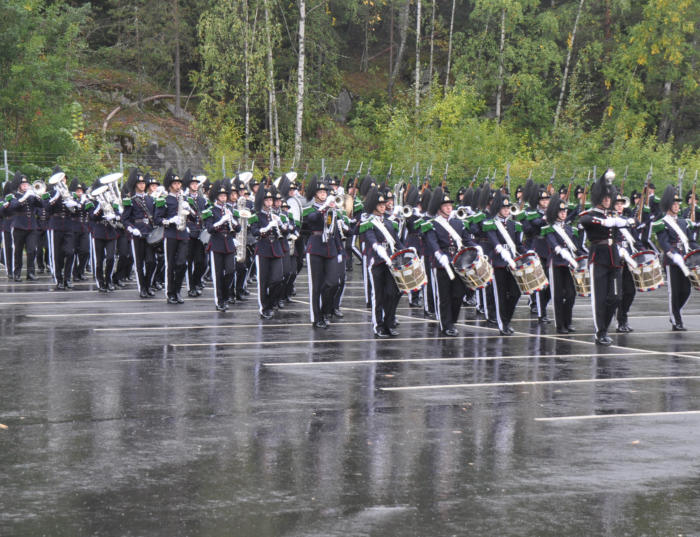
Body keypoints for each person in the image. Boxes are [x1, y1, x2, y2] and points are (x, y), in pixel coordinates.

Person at [578, 169, 632, 345]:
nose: (608, 200)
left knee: (616, 297)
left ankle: (605, 327)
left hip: (614, 258)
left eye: (610, 197)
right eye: (605, 197)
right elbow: (584, 221)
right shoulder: (590, 214)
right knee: (599, 298)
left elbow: (631, 223)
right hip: (599, 258)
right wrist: (603, 222)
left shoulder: (613, 215)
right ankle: (600, 332)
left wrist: (626, 221)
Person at [423, 186, 478, 336]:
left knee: (458, 294)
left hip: (458, 263)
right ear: (439, 208)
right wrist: (439, 254)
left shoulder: (458, 223)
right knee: (444, 296)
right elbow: (432, 242)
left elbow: (466, 239)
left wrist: (476, 247)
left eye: (449, 205)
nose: (449, 208)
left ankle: (452, 321)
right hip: (441, 264)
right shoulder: (432, 224)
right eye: (445, 205)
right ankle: (446, 325)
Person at [653, 185, 700, 331]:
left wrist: (697, 251)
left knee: (686, 290)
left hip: (686, 259)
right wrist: (674, 255)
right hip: (672, 260)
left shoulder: (683, 222)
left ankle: (675, 312)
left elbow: (691, 241)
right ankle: (676, 321)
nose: (677, 206)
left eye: (678, 203)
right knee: (674, 292)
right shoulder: (662, 223)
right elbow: (664, 243)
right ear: (668, 205)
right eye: (674, 203)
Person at [359, 186, 404, 338]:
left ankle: (389, 323)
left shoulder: (390, 223)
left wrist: (408, 252)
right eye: (380, 205)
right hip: (377, 262)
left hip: (391, 263)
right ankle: (378, 325)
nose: (383, 206)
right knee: (377, 296)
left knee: (391, 293)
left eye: (384, 204)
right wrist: (384, 255)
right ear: (373, 206)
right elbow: (373, 242)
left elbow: (397, 242)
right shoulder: (368, 223)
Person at [303, 176, 341, 328]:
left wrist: (339, 249)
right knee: (316, 285)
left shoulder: (332, 210)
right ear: (315, 194)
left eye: (325, 192)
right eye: (320, 192)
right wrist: (324, 207)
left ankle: (326, 311)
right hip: (316, 247)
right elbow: (311, 219)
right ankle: (316, 317)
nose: (323, 194)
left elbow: (335, 229)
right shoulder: (310, 208)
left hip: (330, 246)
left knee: (333, 282)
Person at [484, 191, 523, 335]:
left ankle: (506, 319)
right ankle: (503, 325)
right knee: (500, 295)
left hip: (512, 264)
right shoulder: (490, 224)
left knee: (515, 293)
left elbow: (519, 245)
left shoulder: (514, 225)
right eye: (503, 207)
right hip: (498, 264)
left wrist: (530, 254)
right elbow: (495, 242)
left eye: (508, 207)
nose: (507, 210)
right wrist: (502, 252)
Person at [542, 195, 582, 333]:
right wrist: (564, 253)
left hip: (569, 265)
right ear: (555, 213)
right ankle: (560, 325)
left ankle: (568, 321)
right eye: (561, 211)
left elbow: (576, 248)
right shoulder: (549, 228)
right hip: (556, 264)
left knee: (571, 294)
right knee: (558, 296)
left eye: (565, 211)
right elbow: (554, 245)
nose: (564, 213)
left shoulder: (571, 229)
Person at [154, 168, 191, 304]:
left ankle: (177, 290)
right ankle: (170, 293)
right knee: (170, 264)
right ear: (170, 185)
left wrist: (189, 209)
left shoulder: (184, 199)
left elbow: (195, 217)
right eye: (175, 183)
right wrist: (170, 221)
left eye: (179, 183)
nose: (178, 186)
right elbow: (157, 219)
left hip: (183, 234)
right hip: (170, 234)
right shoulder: (164, 200)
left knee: (182, 264)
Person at [203, 180, 241, 311]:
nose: (224, 198)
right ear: (216, 197)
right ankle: (220, 301)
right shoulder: (210, 211)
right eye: (221, 196)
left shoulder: (230, 210)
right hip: (217, 244)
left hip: (229, 244)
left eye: (225, 195)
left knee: (230, 271)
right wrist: (221, 221)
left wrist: (233, 220)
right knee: (218, 274)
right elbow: (209, 229)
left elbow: (238, 229)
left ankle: (225, 295)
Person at [249, 183, 285, 320]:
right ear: (262, 201)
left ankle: (271, 302)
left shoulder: (276, 215)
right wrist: (267, 227)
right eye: (267, 200)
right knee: (263, 280)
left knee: (277, 279)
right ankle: (264, 307)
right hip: (263, 248)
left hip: (276, 248)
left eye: (271, 200)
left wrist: (281, 224)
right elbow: (254, 231)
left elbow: (286, 231)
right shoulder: (256, 215)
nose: (270, 202)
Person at [122, 168, 157, 298]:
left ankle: (148, 285)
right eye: (140, 183)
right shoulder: (130, 200)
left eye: (143, 183)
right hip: (138, 234)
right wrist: (132, 229)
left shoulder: (150, 199)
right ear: (135, 185)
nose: (142, 185)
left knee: (151, 262)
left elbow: (155, 216)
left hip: (149, 233)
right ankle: (142, 287)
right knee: (139, 263)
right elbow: (125, 219)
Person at [43, 167, 79, 289]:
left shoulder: (71, 194)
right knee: (56, 254)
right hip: (55, 224)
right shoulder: (49, 194)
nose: (62, 180)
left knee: (70, 252)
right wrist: (56, 196)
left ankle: (67, 278)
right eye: (60, 178)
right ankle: (58, 279)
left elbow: (77, 212)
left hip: (68, 225)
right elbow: (46, 208)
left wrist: (74, 205)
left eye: (63, 178)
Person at [86, 178, 119, 292]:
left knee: (110, 258)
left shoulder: (110, 200)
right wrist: (99, 207)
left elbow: (119, 213)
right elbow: (92, 216)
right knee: (99, 260)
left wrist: (114, 215)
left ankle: (108, 279)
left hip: (111, 231)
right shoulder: (91, 202)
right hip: (99, 231)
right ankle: (100, 282)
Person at [9, 171, 42, 281]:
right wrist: (25, 196)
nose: (25, 186)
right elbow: (14, 206)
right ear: (19, 186)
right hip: (19, 226)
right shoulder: (14, 195)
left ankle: (31, 273)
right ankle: (17, 273)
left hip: (31, 227)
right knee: (18, 251)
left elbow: (42, 205)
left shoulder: (32, 196)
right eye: (23, 184)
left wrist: (37, 196)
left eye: (26, 184)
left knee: (32, 250)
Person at [184, 170, 208, 297]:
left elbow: (205, 215)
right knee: (189, 262)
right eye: (193, 183)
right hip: (189, 233)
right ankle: (191, 287)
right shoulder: (184, 199)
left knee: (201, 262)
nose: (195, 185)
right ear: (189, 185)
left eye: (196, 183)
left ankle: (196, 280)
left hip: (200, 233)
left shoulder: (202, 200)